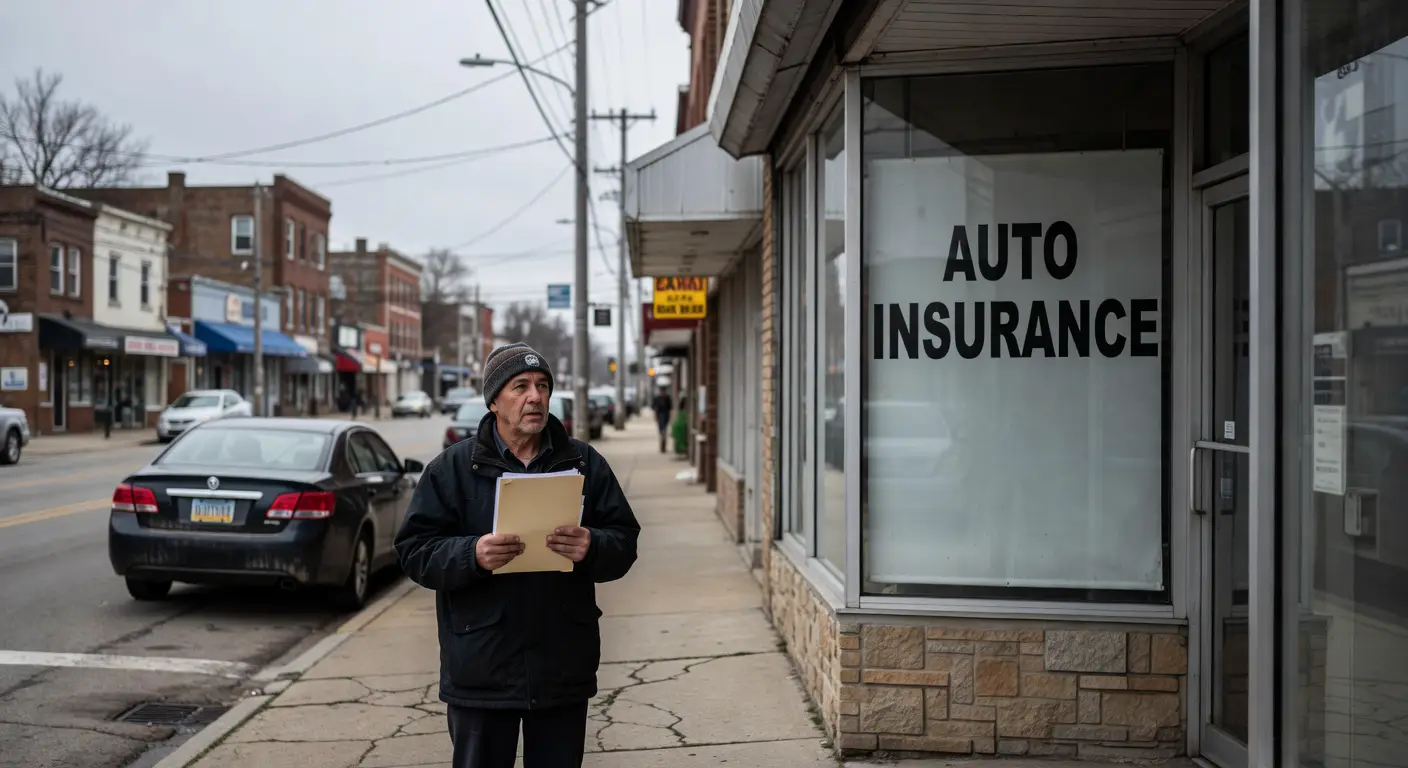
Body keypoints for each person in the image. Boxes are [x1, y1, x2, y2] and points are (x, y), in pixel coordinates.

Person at [395, 342, 640, 768]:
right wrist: (472, 553)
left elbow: (624, 540)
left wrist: (592, 546)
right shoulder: (450, 470)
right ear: (494, 401)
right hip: (481, 668)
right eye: (521, 386)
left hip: (561, 664)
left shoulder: (584, 464)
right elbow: (415, 551)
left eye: (543, 386)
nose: (535, 397)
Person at [651, 386, 672, 453]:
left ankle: (663, 445)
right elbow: (653, 407)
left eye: (663, 391)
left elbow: (670, 408)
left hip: (665, 415)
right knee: (661, 431)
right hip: (659, 416)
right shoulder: (657, 398)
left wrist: (670, 416)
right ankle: (662, 445)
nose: (662, 392)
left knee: (664, 431)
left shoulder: (667, 398)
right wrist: (655, 415)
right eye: (661, 391)